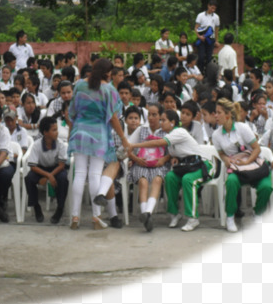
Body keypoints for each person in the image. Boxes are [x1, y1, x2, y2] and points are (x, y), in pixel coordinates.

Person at [128, 108, 212, 232]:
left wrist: (135, 146)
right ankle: (174, 214)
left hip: (202, 165)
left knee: (187, 180)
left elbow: (159, 143)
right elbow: (179, 151)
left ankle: (193, 218)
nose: (161, 122)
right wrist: (175, 157)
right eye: (161, 120)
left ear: (172, 122)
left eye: (164, 120)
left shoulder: (179, 132)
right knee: (170, 177)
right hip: (187, 166)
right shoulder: (170, 135)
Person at [69, 58, 128, 229]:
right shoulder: (109, 90)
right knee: (95, 176)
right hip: (99, 135)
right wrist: (123, 138)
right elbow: (113, 118)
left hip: (79, 132)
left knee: (79, 174)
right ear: (108, 73)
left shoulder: (79, 85)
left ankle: (75, 217)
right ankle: (96, 217)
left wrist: (71, 134)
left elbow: (71, 112)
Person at [211, 99, 273, 232]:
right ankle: (230, 216)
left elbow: (257, 149)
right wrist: (226, 160)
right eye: (215, 113)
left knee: (266, 187)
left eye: (218, 113)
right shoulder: (216, 135)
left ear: (228, 115)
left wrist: (247, 162)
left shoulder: (242, 128)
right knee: (231, 182)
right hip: (237, 168)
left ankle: (258, 214)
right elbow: (221, 153)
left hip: (254, 165)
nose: (215, 115)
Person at [125, 102, 169, 232]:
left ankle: (147, 213)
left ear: (160, 116)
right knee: (143, 182)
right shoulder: (141, 129)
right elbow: (128, 147)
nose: (151, 117)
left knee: (157, 180)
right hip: (141, 164)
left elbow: (172, 152)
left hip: (158, 165)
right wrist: (136, 159)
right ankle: (145, 214)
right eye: (149, 114)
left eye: (154, 115)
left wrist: (164, 159)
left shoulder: (165, 131)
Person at [24, 116, 68, 224]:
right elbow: (33, 166)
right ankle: (36, 207)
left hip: (56, 168)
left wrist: (50, 175)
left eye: (57, 129)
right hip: (41, 168)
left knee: (63, 179)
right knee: (29, 178)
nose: (57, 132)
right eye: (54, 130)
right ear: (45, 132)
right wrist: (47, 176)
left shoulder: (60, 144)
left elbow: (61, 165)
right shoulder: (37, 145)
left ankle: (60, 208)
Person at [194, 0, 220, 68]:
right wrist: (199, 36)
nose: (213, 10)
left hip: (211, 39)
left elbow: (216, 29)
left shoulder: (216, 17)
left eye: (214, 8)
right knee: (201, 57)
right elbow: (196, 28)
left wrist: (216, 40)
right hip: (202, 38)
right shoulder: (200, 15)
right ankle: (200, 72)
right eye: (212, 8)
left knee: (209, 58)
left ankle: (208, 75)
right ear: (208, 6)